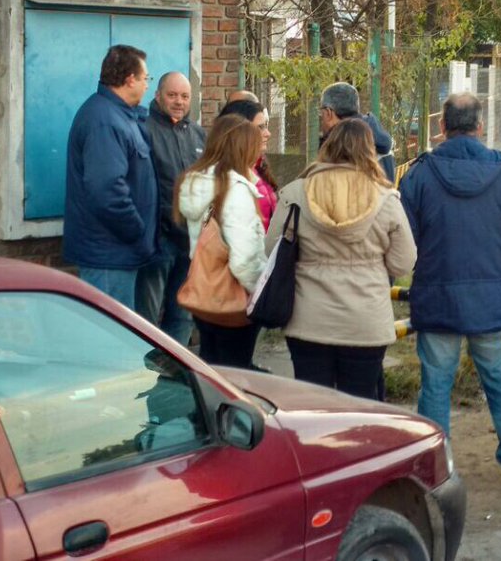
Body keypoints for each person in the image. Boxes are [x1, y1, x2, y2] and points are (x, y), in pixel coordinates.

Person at [399, 92, 501, 486]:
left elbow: (406, 236)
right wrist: (498, 262)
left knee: (436, 385)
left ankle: (434, 468)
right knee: (500, 383)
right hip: (489, 296)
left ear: (441, 126)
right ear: (480, 127)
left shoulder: (419, 174)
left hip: (436, 295)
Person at [267, 120, 417, 399]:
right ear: (370, 152)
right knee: (361, 406)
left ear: (328, 145)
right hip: (365, 321)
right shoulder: (385, 199)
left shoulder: (296, 193)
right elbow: (402, 263)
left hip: (308, 319)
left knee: (312, 406)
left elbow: (271, 250)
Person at [63, 44, 156, 309]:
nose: (147, 85)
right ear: (130, 80)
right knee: (106, 342)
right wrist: (137, 229)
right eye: (145, 78)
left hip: (119, 252)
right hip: (108, 255)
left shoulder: (121, 116)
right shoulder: (104, 121)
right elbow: (106, 190)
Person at [176, 115, 268, 368]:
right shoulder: (235, 190)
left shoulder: (196, 181)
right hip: (233, 301)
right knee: (237, 374)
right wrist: (260, 293)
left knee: (211, 368)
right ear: (241, 148)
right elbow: (244, 259)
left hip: (204, 293)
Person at [135, 71, 204, 344]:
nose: (179, 101)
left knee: (183, 316)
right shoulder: (144, 130)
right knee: (146, 318)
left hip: (191, 243)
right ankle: (145, 374)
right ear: (158, 96)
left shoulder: (199, 136)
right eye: (172, 95)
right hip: (159, 241)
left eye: (184, 96)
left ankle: (172, 375)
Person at [318, 82, 396, 183]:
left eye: (321, 114)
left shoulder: (339, 147)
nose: (322, 120)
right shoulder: (381, 143)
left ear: (329, 113)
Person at [219, 98, 278, 230]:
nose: (268, 133)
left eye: (266, 126)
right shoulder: (225, 176)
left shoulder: (257, 167)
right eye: (260, 127)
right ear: (239, 131)